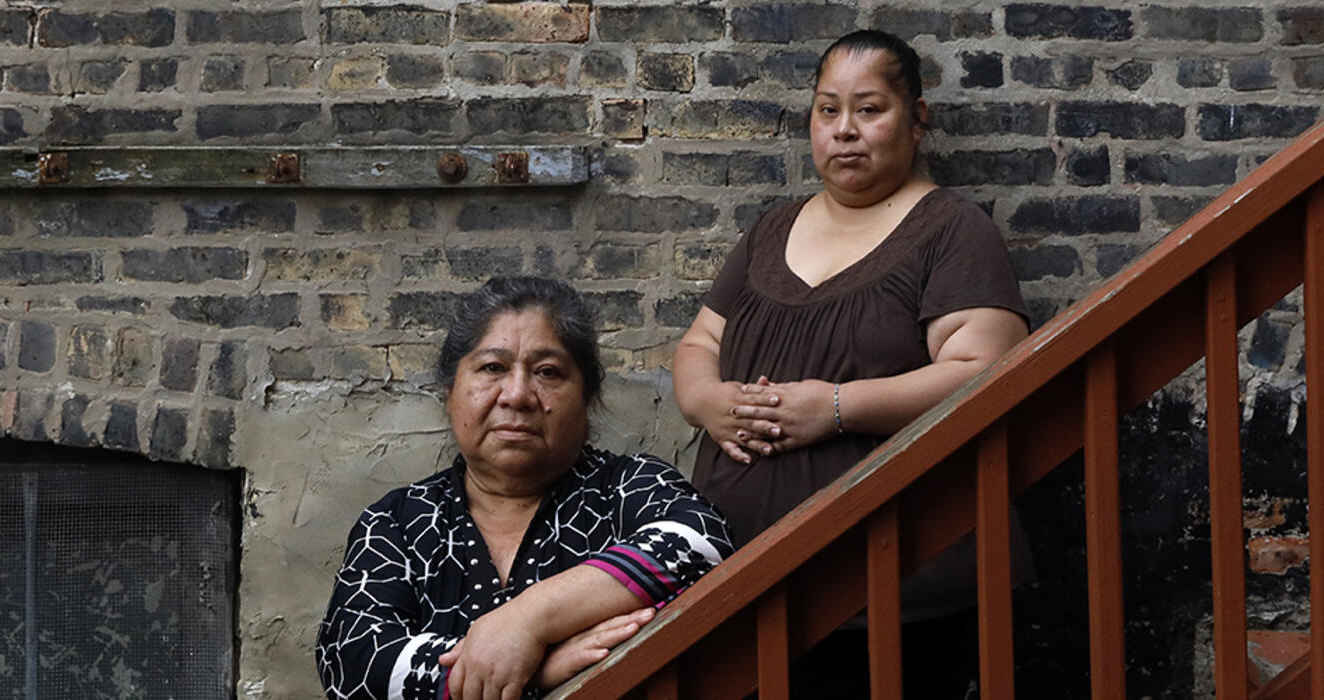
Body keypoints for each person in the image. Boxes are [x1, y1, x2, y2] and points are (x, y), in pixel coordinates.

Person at [671, 29, 1031, 698]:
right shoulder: (771, 230)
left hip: (896, 589)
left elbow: (984, 370)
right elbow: (698, 344)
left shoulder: (952, 230)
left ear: (916, 119)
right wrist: (706, 403)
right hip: (738, 580)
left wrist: (836, 409)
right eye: (827, 110)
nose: (844, 131)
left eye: (869, 109)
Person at [317, 277, 734, 700]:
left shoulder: (628, 486)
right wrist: (537, 671)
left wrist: (528, 621)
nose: (517, 395)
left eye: (547, 372)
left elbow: (701, 545)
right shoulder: (397, 522)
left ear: (588, 398)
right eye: (492, 368)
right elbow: (354, 662)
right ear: (450, 394)